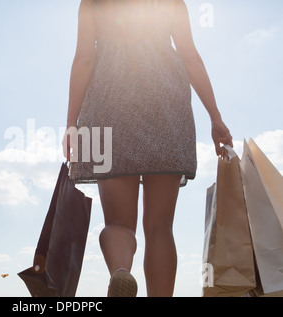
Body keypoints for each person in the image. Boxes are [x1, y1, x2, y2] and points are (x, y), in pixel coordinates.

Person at [62, 0, 233, 297]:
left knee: (117, 222)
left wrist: (71, 123)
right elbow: (191, 57)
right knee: (160, 227)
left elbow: (84, 60)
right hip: (165, 108)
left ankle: (121, 273)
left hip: (108, 110)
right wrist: (216, 119)